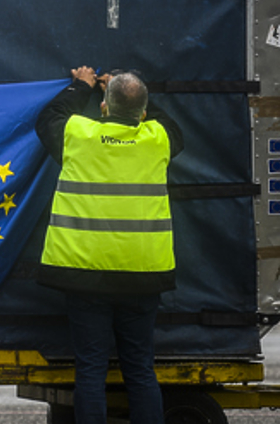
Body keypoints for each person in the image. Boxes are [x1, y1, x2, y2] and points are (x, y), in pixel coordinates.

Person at [34, 66, 184, 424]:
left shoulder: (80, 135)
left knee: (90, 371)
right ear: (145, 113)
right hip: (143, 275)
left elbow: (49, 118)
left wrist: (81, 86)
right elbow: (170, 127)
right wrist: (126, 89)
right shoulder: (156, 139)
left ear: (102, 107)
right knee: (140, 371)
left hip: (84, 274)